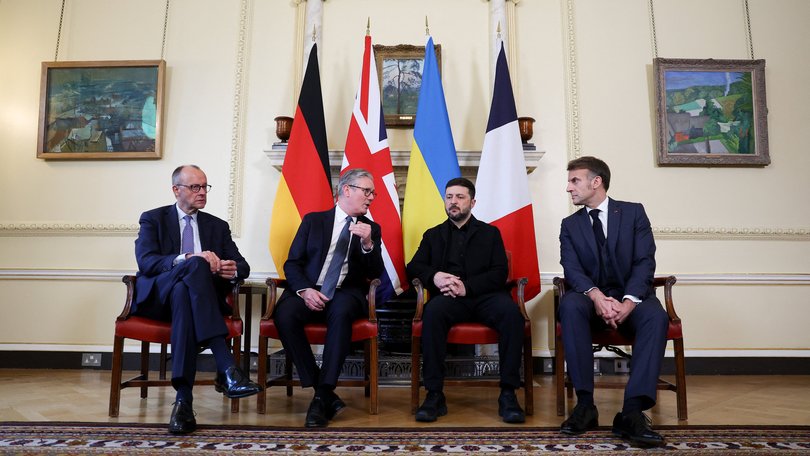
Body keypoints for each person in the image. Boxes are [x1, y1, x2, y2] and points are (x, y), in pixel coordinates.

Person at [133, 164, 262, 435]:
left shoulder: (217, 225)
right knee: (194, 266)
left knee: (184, 292)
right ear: (176, 190)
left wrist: (231, 268)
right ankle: (227, 368)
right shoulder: (153, 219)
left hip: (190, 303)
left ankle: (183, 402)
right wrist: (189, 259)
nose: (202, 192)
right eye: (195, 187)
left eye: (205, 187)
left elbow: (243, 266)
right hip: (159, 299)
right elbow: (146, 262)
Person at [558, 156, 668, 447]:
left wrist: (629, 301)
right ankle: (585, 406)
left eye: (574, 181)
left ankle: (632, 412)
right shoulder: (569, 225)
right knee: (569, 305)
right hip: (589, 298)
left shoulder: (633, 213)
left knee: (656, 316)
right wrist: (595, 296)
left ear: (596, 182)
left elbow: (644, 262)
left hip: (632, 297)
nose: (568, 188)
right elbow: (571, 269)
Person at [406, 177, 526, 424]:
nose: (453, 202)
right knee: (433, 313)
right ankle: (434, 394)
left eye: (460, 197)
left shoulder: (491, 233)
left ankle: (508, 394)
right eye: (449, 197)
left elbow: (499, 272)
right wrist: (436, 276)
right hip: (448, 298)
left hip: (486, 296)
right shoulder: (433, 235)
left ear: (472, 201)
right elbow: (414, 267)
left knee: (512, 315)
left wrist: (467, 287)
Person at [274, 168, 384, 428]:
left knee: (342, 310)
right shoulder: (314, 221)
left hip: (346, 292)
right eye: (366, 191)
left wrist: (368, 244)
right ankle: (322, 391)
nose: (371, 198)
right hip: (309, 288)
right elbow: (292, 263)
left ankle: (323, 392)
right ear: (347, 190)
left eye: (373, 193)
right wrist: (304, 289)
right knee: (284, 314)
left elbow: (375, 273)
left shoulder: (371, 228)